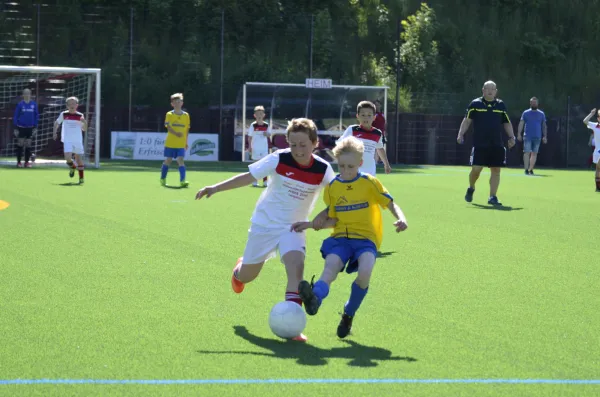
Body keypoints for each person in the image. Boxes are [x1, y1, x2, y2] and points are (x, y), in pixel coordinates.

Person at [195, 118, 335, 342]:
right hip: (265, 224)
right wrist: (216, 187)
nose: (298, 150)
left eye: (304, 145)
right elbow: (248, 177)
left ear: (315, 143)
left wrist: (326, 214)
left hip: (294, 227)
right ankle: (238, 271)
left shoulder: (323, 169)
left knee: (296, 269)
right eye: (294, 144)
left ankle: (292, 325)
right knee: (248, 276)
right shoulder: (279, 158)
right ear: (287, 142)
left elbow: (339, 196)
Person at [291, 136, 408, 338]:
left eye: (350, 167)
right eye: (342, 166)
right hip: (340, 239)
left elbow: (390, 203)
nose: (345, 171)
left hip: (365, 240)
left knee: (365, 272)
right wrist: (311, 224)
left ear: (360, 163)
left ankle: (348, 314)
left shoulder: (370, 183)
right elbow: (333, 219)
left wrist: (401, 218)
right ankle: (315, 299)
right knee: (331, 267)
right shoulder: (333, 187)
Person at [457, 81, 516, 205]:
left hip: (496, 143)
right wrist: (460, 133)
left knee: (496, 170)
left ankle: (492, 196)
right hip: (480, 144)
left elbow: (506, 122)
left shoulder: (500, 105)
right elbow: (467, 120)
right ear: (483, 90)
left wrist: (512, 137)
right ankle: (471, 187)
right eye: (488, 88)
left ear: (496, 91)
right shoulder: (475, 104)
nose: (490, 91)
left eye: (493, 89)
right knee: (476, 170)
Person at [337, 101, 392, 176]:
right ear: (357, 116)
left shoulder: (377, 133)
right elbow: (340, 145)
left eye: (369, 115)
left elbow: (380, 148)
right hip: (354, 172)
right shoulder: (352, 130)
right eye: (363, 115)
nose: (366, 118)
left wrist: (386, 164)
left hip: (370, 172)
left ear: (374, 117)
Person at [53, 97, 87, 184]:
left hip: (77, 140)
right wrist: (54, 132)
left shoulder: (80, 115)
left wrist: (85, 122)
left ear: (77, 105)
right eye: (70, 104)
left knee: (79, 159)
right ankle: (73, 167)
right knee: (67, 158)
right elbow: (56, 123)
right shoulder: (64, 114)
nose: (72, 105)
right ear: (67, 106)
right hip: (67, 140)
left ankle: (81, 178)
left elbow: (84, 129)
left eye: (74, 104)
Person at [160, 93, 190, 188]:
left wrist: (186, 142)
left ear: (182, 103)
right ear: (172, 104)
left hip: (180, 144)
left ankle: (182, 181)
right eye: (175, 102)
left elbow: (186, 130)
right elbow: (168, 127)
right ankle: (163, 178)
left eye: (179, 101)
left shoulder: (186, 115)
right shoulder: (169, 114)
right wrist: (176, 133)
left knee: (180, 160)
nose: (177, 103)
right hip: (170, 143)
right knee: (168, 160)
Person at [517, 97, 547, 175]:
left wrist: (545, 136)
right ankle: (526, 169)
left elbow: (544, 125)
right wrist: (519, 134)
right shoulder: (525, 113)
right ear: (530, 103)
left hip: (537, 136)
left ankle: (531, 169)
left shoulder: (541, 114)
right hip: (527, 136)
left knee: (534, 153)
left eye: (535, 102)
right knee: (526, 152)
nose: (534, 104)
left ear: (537, 103)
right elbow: (521, 123)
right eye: (532, 102)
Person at [13, 88, 39, 168]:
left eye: (28, 93)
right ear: (23, 95)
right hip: (21, 127)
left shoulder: (34, 104)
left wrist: (35, 127)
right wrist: (15, 128)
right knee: (20, 144)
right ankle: (18, 162)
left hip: (30, 128)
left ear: (30, 95)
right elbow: (16, 116)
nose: (27, 95)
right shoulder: (20, 104)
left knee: (28, 145)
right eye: (25, 93)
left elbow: (36, 116)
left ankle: (27, 162)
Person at [247, 106, 271, 187]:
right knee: (256, 165)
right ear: (255, 115)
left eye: (261, 114)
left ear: (264, 115)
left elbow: (269, 134)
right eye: (258, 114)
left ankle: (265, 182)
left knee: (265, 164)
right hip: (255, 148)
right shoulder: (253, 125)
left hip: (264, 148)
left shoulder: (266, 125)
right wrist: (250, 147)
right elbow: (249, 137)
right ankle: (254, 181)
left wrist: (266, 134)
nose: (259, 115)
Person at [582, 108, 600, 192]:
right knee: (598, 169)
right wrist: (591, 114)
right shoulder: (595, 125)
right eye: (599, 116)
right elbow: (585, 121)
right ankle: (598, 187)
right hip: (598, 151)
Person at [372, 99, 386, 164]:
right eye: (375, 105)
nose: (377, 106)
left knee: (380, 148)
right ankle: (374, 162)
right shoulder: (372, 114)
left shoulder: (382, 114)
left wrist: (384, 133)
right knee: (374, 149)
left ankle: (379, 161)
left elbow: (384, 124)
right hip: (374, 134)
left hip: (381, 134)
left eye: (378, 105)